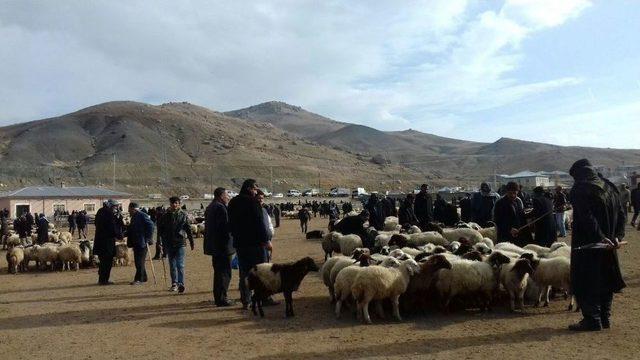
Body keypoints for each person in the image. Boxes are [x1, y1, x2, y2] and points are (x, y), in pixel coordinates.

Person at [568, 159, 626, 331]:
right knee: (606, 279)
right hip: (609, 245)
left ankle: (592, 319)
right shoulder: (609, 187)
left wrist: (599, 238)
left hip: (587, 246)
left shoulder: (580, 189)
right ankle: (604, 318)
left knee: (586, 280)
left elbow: (587, 217)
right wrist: (616, 237)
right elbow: (622, 215)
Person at [228, 179, 276, 309]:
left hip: (240, 244)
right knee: (261, 271)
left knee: (244, 273)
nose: (256, 191)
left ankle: (246, 300)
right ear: (249, 188)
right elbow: (259, 223)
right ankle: (263, 297)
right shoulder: (253, 202)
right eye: (255, 188)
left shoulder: (233, 202)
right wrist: (266, 241)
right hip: (256, 244)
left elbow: (230, 223)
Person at [204, 187, 235, 307]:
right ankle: (222, 298)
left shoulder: (210, 207)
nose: (228, 197)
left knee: (218, 272)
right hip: (223, 246)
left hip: (214, 246)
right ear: (221, 196)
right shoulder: (220, 208)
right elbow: (225, 228)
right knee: (224, 272)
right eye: (227, 195)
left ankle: (219, 297)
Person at [158, 196, 194, 293]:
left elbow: (188, 228)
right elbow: (160, 230)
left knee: (180, 264)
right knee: (172, 265)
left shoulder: (183, 215)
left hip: (180, 242)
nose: (174, 205)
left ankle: (181, 284)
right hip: (169, 243)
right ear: (170, 204)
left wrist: (191, 241)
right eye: (172, 203)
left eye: (176, 203)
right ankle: (174, 283)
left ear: (179, 204)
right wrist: (159, 242)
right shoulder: (165, 216)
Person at [94, 200, 124, 285]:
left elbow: (97, 223)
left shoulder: (100, 211)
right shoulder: (109, 214)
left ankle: (102, 279)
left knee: (103, 261)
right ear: (111, 206)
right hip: (107, 242)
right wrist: (120, 236)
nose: (116, 208)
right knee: (107, 261)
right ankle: (104, 280)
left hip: (100, 241)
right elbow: (112, 228)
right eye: (115, 207)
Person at [493, 182, 529, 246]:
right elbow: (497, 220)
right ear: (506, 192)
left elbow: (522, 217)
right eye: (510, 193)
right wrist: (509, 229)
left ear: (517, 192)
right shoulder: (500, 203)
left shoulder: (519, 201)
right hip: (505, 237)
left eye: (514, 193)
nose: (512, 195)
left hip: (519, 236)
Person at [127, 202, 155, 285]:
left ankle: (139, 279)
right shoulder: (134, 217)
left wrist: (148, 238)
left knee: (139, 261)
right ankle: (144, 277)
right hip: (136, 241)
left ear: (133, 209)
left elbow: (151, 225)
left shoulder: (142, 215)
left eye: (129, 209)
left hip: (142, 242)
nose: (128, 211)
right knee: (139, 261)